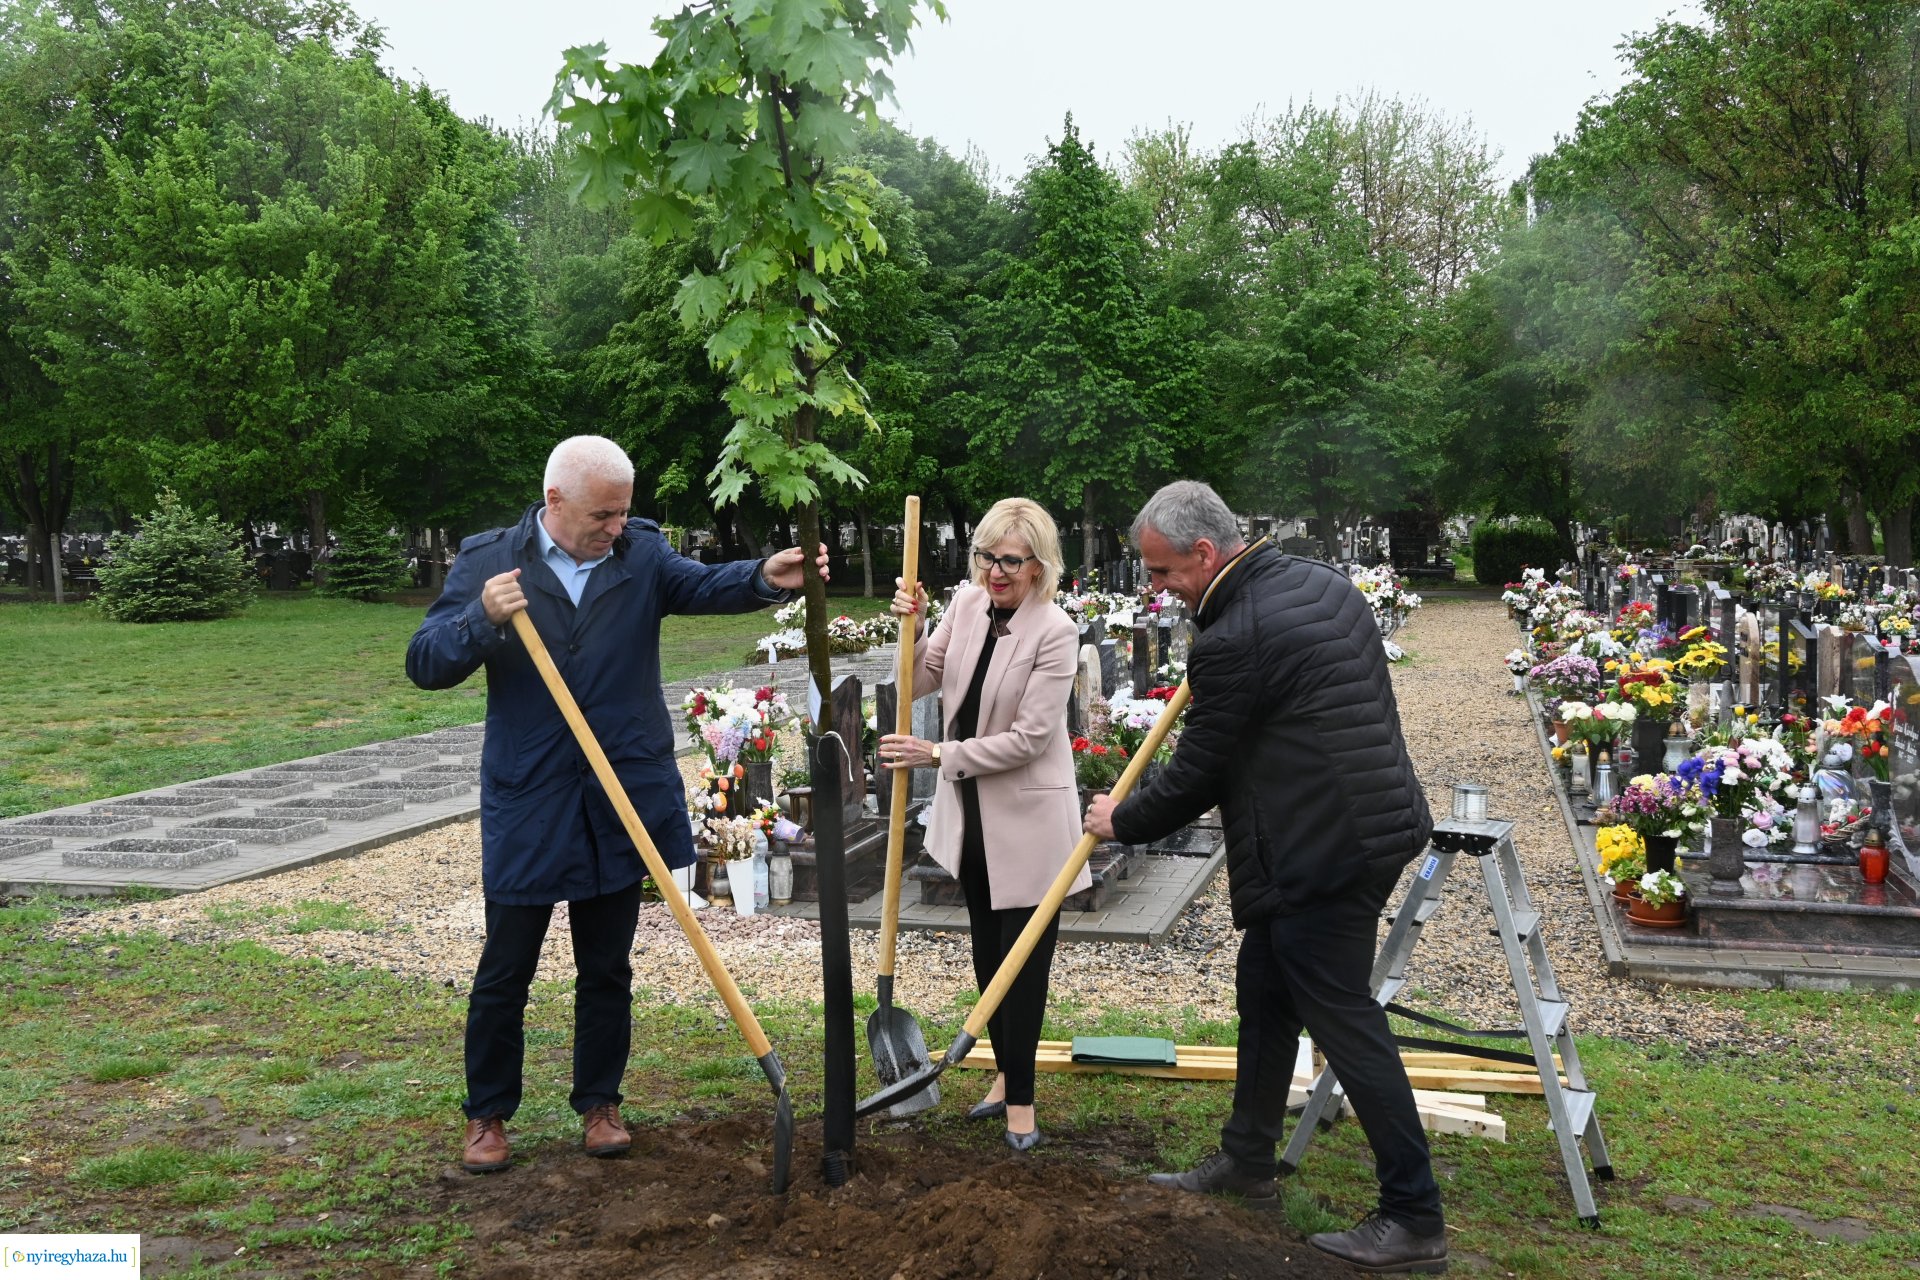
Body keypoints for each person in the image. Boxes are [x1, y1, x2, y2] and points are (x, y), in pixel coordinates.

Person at [406, 435, 825, 1175]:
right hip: (531, 793)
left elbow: (704, 584)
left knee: (607, 966)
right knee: (506, 968)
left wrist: (765, 574)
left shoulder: (639, 554)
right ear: (555, 502)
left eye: (624, 513)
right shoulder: (489, 562)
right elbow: (425, 663)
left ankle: (600, 1102)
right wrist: (481, 618)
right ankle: (487, 1115)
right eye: (603, 514)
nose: (616, 527)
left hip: (619, 791)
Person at [1084, 481, 1445, 1275]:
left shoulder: (1233, 636)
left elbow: (1197, 775)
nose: (1155, 589)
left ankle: (1415, 1216)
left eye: (1161, 572)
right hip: (1367, 823)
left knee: (1343, 1020)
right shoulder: (1320, 582)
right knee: (1266, 990)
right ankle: (1248, 1161)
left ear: (1205, 553)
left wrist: (1120, 819)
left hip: (1324, 847)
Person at [879, 497, 1086, 1152]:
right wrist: (908, 633)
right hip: (969, 821)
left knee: (1023, 967)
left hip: (1026, 821)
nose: (995, 571)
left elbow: (1028, 739)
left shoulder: (1056, 632)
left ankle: (1021, 1104)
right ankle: (1004, 1074)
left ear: (1038, 566)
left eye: (1010, 560)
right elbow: (918, 680)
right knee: (987, 955)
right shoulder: (967, 605)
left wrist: (937, 753)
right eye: (987, 556)